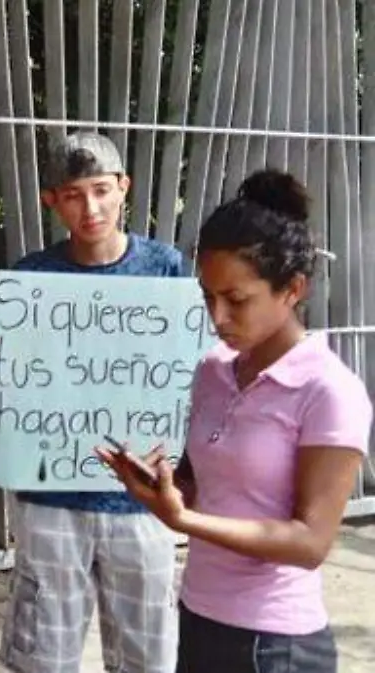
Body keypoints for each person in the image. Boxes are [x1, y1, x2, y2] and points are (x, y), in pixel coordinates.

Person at [99, 170, 371, 673]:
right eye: (207, 297)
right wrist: (162, 487)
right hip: (200, 614)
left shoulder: (329, 391)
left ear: (292, 289)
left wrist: (184, 520)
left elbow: (310, 543)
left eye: (236, 300)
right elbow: (207, 487)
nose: (217, 316)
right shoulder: (213, 371)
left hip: (275, 642)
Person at [0, 132, 184, 673]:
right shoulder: (30, 278)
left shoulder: (165, 269)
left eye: (102, 190)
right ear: (51, 200)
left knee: (149, 656)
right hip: (49, 495)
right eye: (75, 195)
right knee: (43, 657)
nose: (91, 208)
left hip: (141, 497)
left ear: (124, 188)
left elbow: (186, 368)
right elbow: (11, 381)